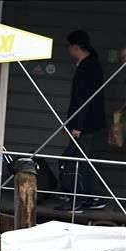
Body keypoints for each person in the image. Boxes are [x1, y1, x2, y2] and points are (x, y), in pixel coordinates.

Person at [59, 29, 107, 212]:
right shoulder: (90, 65)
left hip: (85, 125)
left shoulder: (88, 67)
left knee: (72, 160)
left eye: (69, 47)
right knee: (84, 160)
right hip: (88, 124)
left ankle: (76, 199)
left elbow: (84, 98)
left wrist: (78, 125)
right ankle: (88, 197)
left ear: (75, 47)